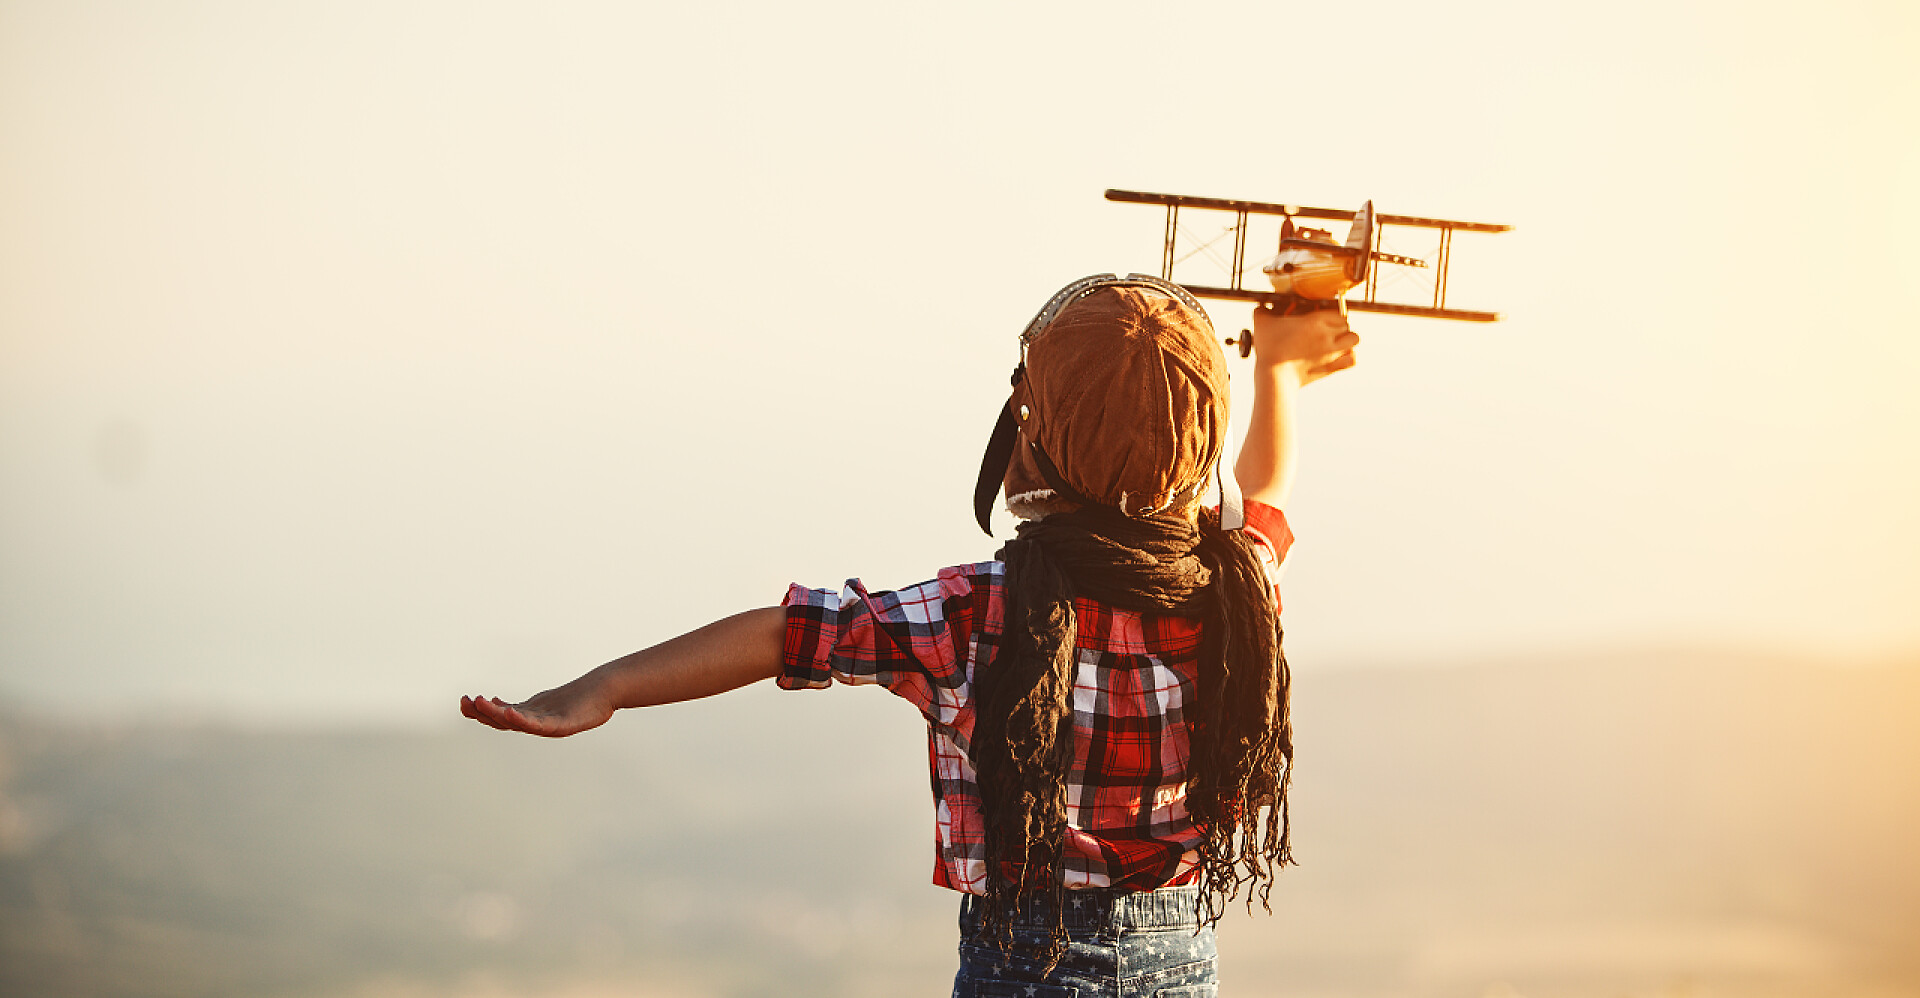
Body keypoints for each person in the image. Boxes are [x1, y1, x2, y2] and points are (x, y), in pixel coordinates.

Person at [460, 275, 1359, 996]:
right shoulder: (1239, 596)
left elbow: (787, 634)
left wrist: (604, 689)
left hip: (1020, 962)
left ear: (1034, 435)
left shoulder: (976, 614)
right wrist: (1281, 367)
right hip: (1181, 959)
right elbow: (1264, 494)